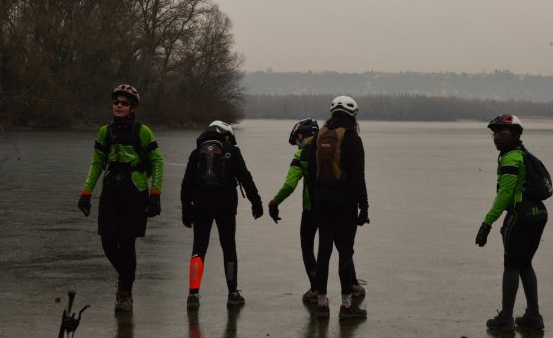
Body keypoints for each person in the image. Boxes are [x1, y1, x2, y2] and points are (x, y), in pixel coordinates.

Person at [78, 84, 164, 312]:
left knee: (127, 243)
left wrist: (155, 194)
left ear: (133, 108)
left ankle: (125, 293)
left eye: (124, 103)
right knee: (107, 241)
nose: (119, 106)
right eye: (116, 102)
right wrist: (86, 193)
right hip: (110, 191)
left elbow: (157, 162)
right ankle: (127, 276)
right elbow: (97, 163)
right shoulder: (105, 132)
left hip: (135, 193)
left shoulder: (142, 131)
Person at [268, 118, 366, 304]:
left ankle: (316, 290)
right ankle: (353, 285)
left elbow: (290, 184)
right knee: (341, 247)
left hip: (310, 209)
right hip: (333, 205)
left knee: (309, 247)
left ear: (299, 136)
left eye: (296, 140)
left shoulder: (301, 155)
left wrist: (275, 202)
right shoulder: (325, 147)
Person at [475, 114, 548, 331]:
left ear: (516, 135)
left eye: (502, 134)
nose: (497, 138)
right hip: (538, 213)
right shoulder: (524, 155)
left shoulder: (511, 158)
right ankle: (534, 316)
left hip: (520, 215)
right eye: (494, 134)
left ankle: (506, 318)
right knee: (525, 264)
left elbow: (505, 194)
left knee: (511, 266)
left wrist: (486, 223)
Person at [180, 120, 264, 309]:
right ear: (226, 135)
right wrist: (256, 202)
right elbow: (245, 178)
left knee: (198, 249)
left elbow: (186, 184)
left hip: (200, 206)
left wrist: (186, 211)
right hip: (225, 206)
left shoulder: (196, 153)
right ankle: (233, 294)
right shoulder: (232, 152)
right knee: (228, 248)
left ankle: (193, 295)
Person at [306, 96, 370, 320]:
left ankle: (322, 304)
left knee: (323, 252)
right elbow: (357, 177)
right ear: (353, 116)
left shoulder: (319, 136)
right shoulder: (352, 139)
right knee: (345, 253)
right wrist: (364, 207)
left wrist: (314, 203)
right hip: (345, 205)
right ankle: (346, 305)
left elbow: (311, 174)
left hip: (322, 203)